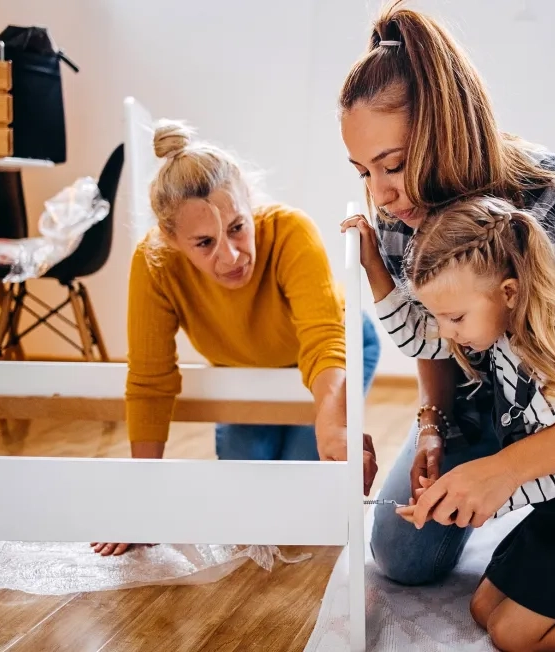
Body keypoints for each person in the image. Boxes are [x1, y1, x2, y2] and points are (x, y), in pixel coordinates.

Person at [337, 0, 555, 586]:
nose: (383, 194)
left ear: (445, 126)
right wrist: (432, 423)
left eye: (391, 163)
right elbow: (431, 337)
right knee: (401, 556)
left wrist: (507, 470)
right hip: (485, 399)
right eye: (364, 172)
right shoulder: (396, 220)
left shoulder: (554, 205)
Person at [92, 119, 381, 556]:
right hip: (245, 370)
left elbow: (324, 341)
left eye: (237, 228)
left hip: (328, 357)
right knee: (252, 503)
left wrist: (333, 424)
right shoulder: (154, 264)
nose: (229, 257)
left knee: (301, 507)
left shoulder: (289, 231)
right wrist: (142, 499)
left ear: (249, 203)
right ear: (172, 240)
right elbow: (151, 381)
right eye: (204, 243)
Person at [376, 196, 555, 651]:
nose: (446, 331)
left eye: (454, 318)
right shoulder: (494, 335)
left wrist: (479, 497)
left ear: (508, 292)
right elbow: (414, 335)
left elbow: (552, 475)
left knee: (513, 634)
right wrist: (371, 266)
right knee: (483, 609)